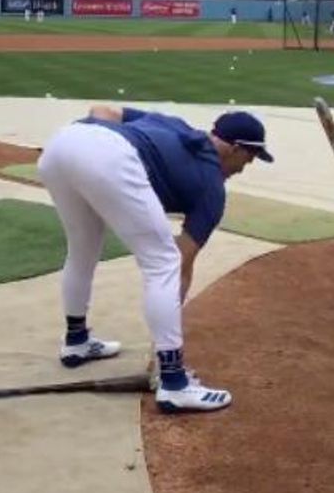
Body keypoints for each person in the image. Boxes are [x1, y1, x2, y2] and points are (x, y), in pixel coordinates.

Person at [36, 106, 273, 413]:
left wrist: (95, 145)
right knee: (164, 264)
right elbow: (181, 264)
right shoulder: (211, 189)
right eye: (250, 157)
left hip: (62, 144)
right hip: (108, 153)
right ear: (235, 148)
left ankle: (77, 341)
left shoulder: (172, 124)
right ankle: (174, 383)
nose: (246, 166)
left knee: (82, 248)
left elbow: (102, 110)